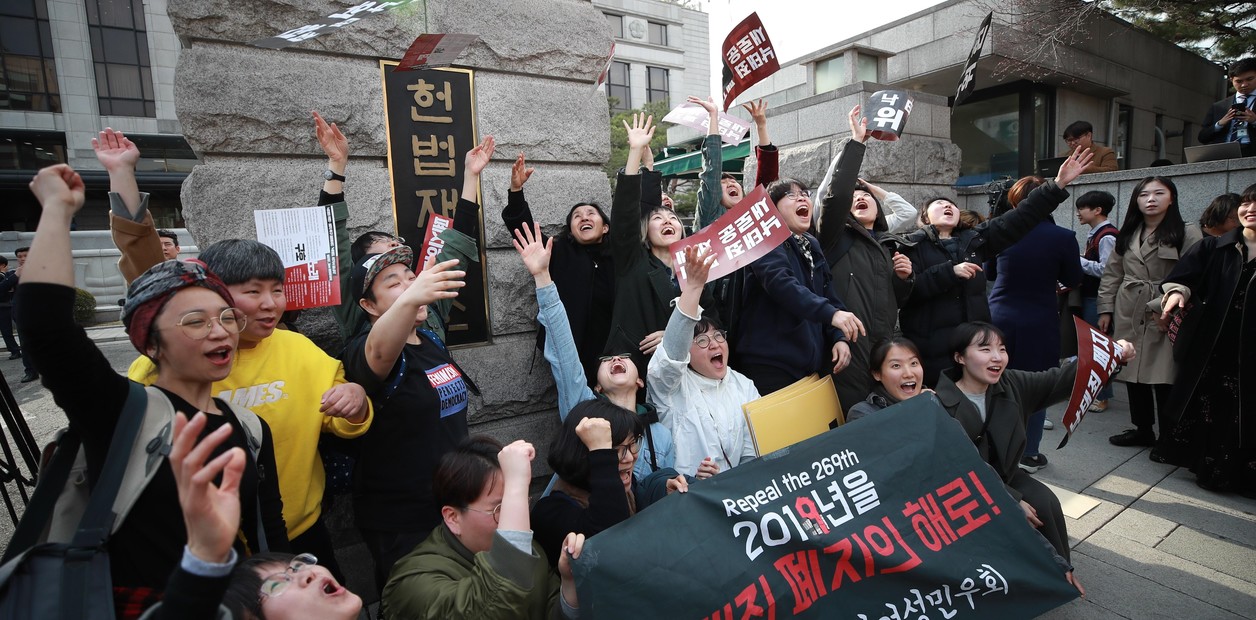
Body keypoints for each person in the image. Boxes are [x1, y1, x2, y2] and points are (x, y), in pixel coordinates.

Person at [99, 125, 375, 578]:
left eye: (277, 290)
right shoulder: (172, 364)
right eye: (252, 292)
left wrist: (357, 403)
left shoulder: (299, 350)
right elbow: (146, 270)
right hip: (204, 549)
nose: (270, 304)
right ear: (214, 296)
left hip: (301, 534)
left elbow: (345, 419)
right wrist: (122, 177)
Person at [19, 163, 288, 618]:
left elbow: (268, 528)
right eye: (195, 321)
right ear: (150, 343)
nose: (220, 331)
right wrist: (56, 211)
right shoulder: (120, 411)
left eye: (225, 317)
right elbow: (46, 330)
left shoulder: (249, 427)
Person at [340, 136, 490, 593]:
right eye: (394, 283)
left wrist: (470, 179)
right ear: (367, 305)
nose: (409, 285)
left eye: (412, 276)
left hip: (452, 504)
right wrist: (335, 171)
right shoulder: (366, 348)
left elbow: (453, 250)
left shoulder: (430, 335)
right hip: (401, 519)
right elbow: (377, 357)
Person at [935, 322, 1134, 569]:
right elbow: (954, 470)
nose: (997, 357)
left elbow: (1061, 379)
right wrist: (1010, 499)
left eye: (1002, 349)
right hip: (963, 489)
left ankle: (1057, 574)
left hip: (1007, 475)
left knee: (1045, 502)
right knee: (1009, 517)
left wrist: (1112, 355)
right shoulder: (937, 403)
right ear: (960, 357)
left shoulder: (1013, 384)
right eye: (985, 349)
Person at [897, 147, 1094, 387]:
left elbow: (1020, 217)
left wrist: (1057, 184)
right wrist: (950, 272)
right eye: (939, 203)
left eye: (951, 204)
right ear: (925, 217)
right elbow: (906, 293)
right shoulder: (910, 245)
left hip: (973, 348)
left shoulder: (974, 240)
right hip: (931, 350)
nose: (947, 206)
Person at [515, 221, 673, 478]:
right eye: (607, 358)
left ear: (640, 380)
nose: (616, 358)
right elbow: (563, 349)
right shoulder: (581, 406)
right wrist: (542, 276)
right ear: (596, 385)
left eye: (624, 356)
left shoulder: (660, 435)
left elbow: (664, 490)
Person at [381, 437, 585, 620]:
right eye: (500, 508)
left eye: (517, 504)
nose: (514, 519)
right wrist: (516, 483)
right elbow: (493, 609)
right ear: (453, 517)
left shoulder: (531, 551)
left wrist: (569, 587)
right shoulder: (413, 582)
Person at [1156, 183, 1256, 496]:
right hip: (1213, 345)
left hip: (1250, 351)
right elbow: (1182, 278)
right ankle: (1209, 468)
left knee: (1245, 412)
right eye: (1246, 203)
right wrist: (1177, 293)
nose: (1250, 209)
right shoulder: (1214, 247)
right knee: (1212, 407)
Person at [816, 106, 916, 410]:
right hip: (846, 345)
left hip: (883, 346)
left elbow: (896, 299)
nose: (861, 197)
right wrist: (857, 143)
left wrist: (904, 278)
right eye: (855, 197)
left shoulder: (886, 244)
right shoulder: (835, 235)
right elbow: (834, 197)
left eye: (866, 196)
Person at [987, 176, 1084, 473]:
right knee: (1038, 386)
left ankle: (991, 447)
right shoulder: (1063, 237)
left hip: (999, 316)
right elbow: (1073, 278)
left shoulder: (1001, 230)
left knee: (993, 381)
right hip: (1039, 320)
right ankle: (1028, 453)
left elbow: (989, 272)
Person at [605, 114, 713, 378]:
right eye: (657, 219)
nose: (667, 220)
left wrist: (675, 334)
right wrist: (635, 154)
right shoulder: (632, 261)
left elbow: (713, 320)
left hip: (689, 373)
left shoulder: (694, 270)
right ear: (644, 232)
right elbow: (626, 213)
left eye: (673, 218)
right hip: (637, 372)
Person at [1098, 176, 1203, 449]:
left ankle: (1170, 436)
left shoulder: (1186, 232)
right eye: (1144, 195)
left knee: (1164, 375)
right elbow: (1112, 274)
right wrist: (1105, 309)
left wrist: (1165, 303)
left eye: (1159, 193)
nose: (1151, 200)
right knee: (1132, 372)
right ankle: (1142, 429)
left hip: (1167, 310)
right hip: (1129, 309)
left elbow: (1196, 274)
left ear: (1172, 198)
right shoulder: (1128, 232)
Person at [501, 152, 615, 387]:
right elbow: (523, 228)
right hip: (571, 354)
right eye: (577, 216)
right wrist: (516, 191)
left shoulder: (618, 257)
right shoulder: (559, 251)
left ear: (605, 227)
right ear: (571, 230)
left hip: (614, 352)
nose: (584, 218)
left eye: (591, 214)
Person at [531, 400, 686, 569]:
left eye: (633, 443)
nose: (629, 458)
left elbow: (643, 493)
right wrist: (602, 454)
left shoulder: (625, 488)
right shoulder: (550, 512)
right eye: (615, 450)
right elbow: (611, 536)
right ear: (583, 454)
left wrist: (662, 489)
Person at [647, 245, 759, 478]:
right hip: (686, 492)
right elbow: (671, 356)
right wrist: (694, 287)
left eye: (718, 336)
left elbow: (753, 450)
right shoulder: (671, 388)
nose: (715, 344)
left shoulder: (743, 384)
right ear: (686, 352)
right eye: (702, 341)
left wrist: (732, 480)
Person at [1075, 190, 1119, 413]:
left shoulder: (1107, 236)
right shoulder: (1097, 234)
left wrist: (1078, 261)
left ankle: (1102, 396)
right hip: (1093, 296)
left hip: (1098, 298)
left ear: (1097, 210)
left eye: (1082, 208)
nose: (1078, 213)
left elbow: (1106, 270)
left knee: (1099, 348)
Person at [845, 337, 926, 422]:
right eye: (896, 365)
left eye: (913, 363)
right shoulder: (863, 413)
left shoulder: (932, 401)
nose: (909, 374)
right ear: (877, 374)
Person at [1198, 57, 1256, 156]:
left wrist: (1254, 121)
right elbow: (1202, 137)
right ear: (1231, 80)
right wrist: (1219, 124)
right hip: (1224, 153)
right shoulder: (1219, 106)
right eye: (1239, 81)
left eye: (1249, 79)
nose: (1244, 85)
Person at [0, 256, 20, 362]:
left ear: (2, 265)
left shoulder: (4, 276)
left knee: (6, 331)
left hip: (4, 306)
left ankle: (15, 350)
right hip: (4, 306)